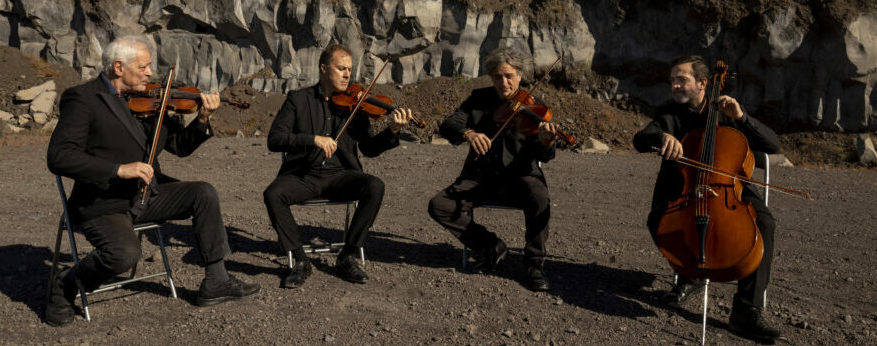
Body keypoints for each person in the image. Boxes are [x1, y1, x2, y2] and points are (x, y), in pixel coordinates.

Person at [45, 36, 259, 326]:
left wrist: (203, 119)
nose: (149, 73)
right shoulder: (83, 98)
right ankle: (64, 285)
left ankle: (217, 280)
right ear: (118, 67)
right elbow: (59, 157)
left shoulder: (150, 103)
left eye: (149, 67)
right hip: (104, 201)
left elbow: (181, 147)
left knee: (203, 193)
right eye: (143, 67)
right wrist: (119, 169)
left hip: (147, 194)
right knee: (124, 254)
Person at [632, 54, 781, 342]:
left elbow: (771, 146)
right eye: (672, 80)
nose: (675, 85)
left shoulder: (726, 111)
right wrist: (662, 137)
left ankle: (745, 311)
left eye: (682, 80)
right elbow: (641, 138)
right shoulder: (670, 114)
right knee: (657, 220)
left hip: (728, 186)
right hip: (684, 189)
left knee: (764, 222)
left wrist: (742, 118)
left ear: (703, 83)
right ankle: (689, 275)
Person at [264, 43, 413, 288]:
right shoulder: (298, 100)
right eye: (341, 68)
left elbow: (369, 149)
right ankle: (300, 261)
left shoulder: (356, 104)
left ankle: (347, 255)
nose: (347, 75)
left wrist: (393, 131)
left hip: (341, 176)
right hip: (304, 175)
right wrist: (312, 139)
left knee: (374, 186)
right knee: (273, 194)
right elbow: (275, 139)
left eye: (349, 69)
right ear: (323, 69)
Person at [428, 47, 559, 292]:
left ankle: (534, 264)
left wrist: (547, 142)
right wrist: (469, 133)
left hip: (520, 179)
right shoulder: (479, 99)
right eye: (498, 76)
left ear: (520, 76)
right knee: (440, 205)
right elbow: (448, 124)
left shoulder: (536, 109)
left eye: (509, 75)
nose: (504, 82)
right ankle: (490, 246)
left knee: (540, 196)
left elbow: (546, 156)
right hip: (480, 178)